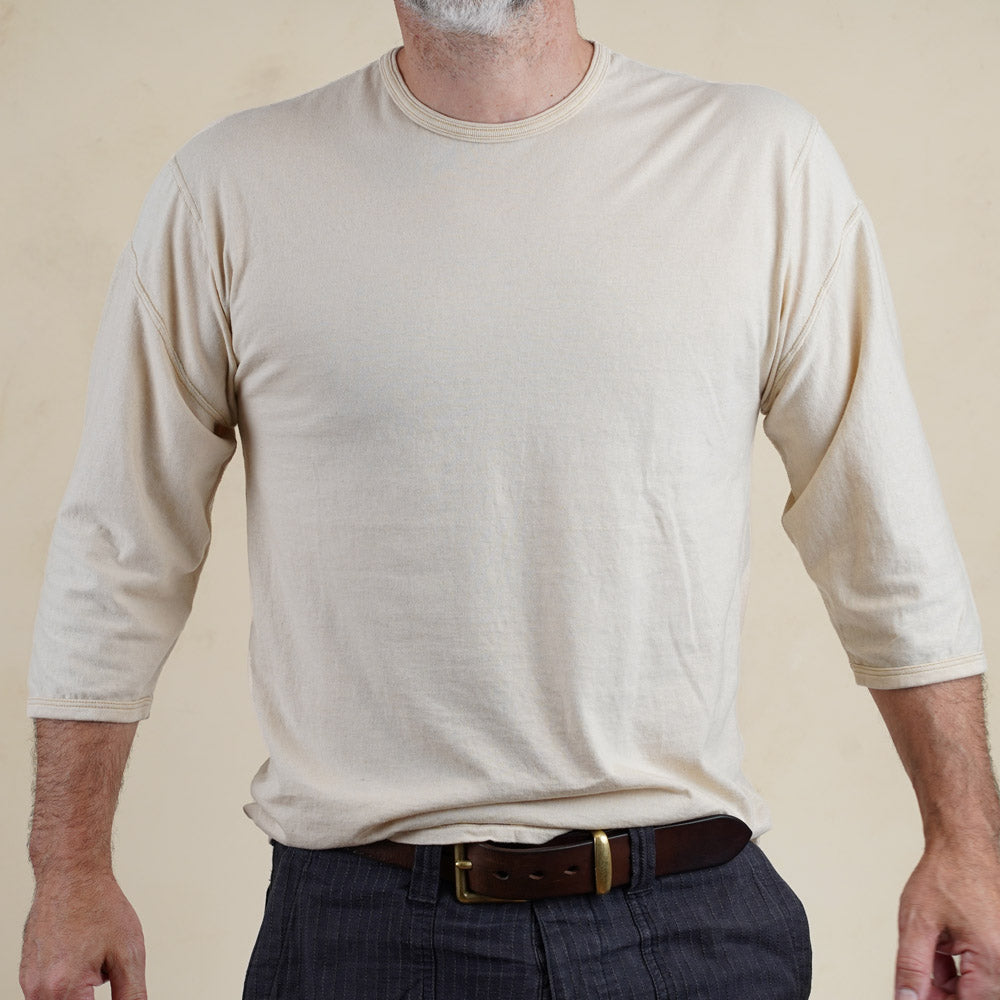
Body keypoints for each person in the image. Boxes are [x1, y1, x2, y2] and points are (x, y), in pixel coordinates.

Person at [18, 1, 1000, 998]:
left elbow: (881, 529)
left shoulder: (760, 161)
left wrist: (966, 842)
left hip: (690, 921)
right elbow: (122, 546)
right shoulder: (228, 187)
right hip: (364, 932)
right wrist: (69, 868)